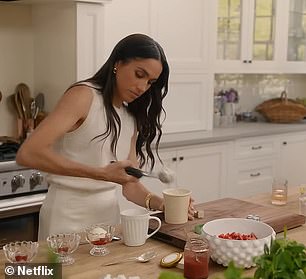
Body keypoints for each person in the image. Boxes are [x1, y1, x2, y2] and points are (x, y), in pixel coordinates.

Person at [16, 33, 195, 240]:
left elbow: (130, 184)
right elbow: (28, 153)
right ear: (118, 63)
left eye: (150, 82)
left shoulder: (130, 116)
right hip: (66, 217)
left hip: (108, 219)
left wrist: (162, 203)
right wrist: (101, 173)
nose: (142, 87)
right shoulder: (83, 96)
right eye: (139, 74)